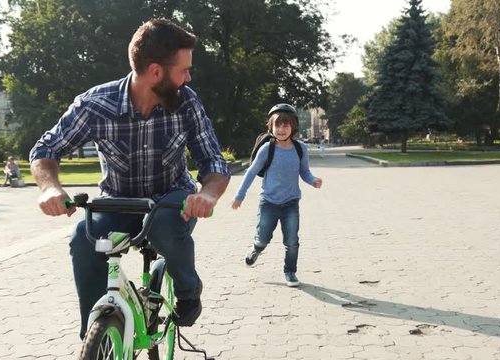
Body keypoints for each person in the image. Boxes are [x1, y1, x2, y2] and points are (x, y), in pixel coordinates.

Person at [29, 18, 230, 339]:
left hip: (171, 199)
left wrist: (208, 194)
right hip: (118, 204)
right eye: (183, 70)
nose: (188, 77)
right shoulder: (96, 104)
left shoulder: (187, 102)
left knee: (165, 225)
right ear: (155, 72)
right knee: (83, 237)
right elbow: (45, 149)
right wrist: (50, 188)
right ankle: (96, 338)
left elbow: (213, 160)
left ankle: (188, 289)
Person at [231, 104, 322, 287]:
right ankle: (257, 248)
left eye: (285, 125)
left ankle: (290, 272)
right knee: (264, 237)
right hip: (269, 203)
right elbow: (251, 172)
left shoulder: (300, 148)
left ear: (293, 127)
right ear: (271, 127)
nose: (281, 130)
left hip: (291, 203)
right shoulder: (267, 149)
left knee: (292, 240)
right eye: (277, 126)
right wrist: (240, 195)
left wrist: (312, 180)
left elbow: (304, 172)